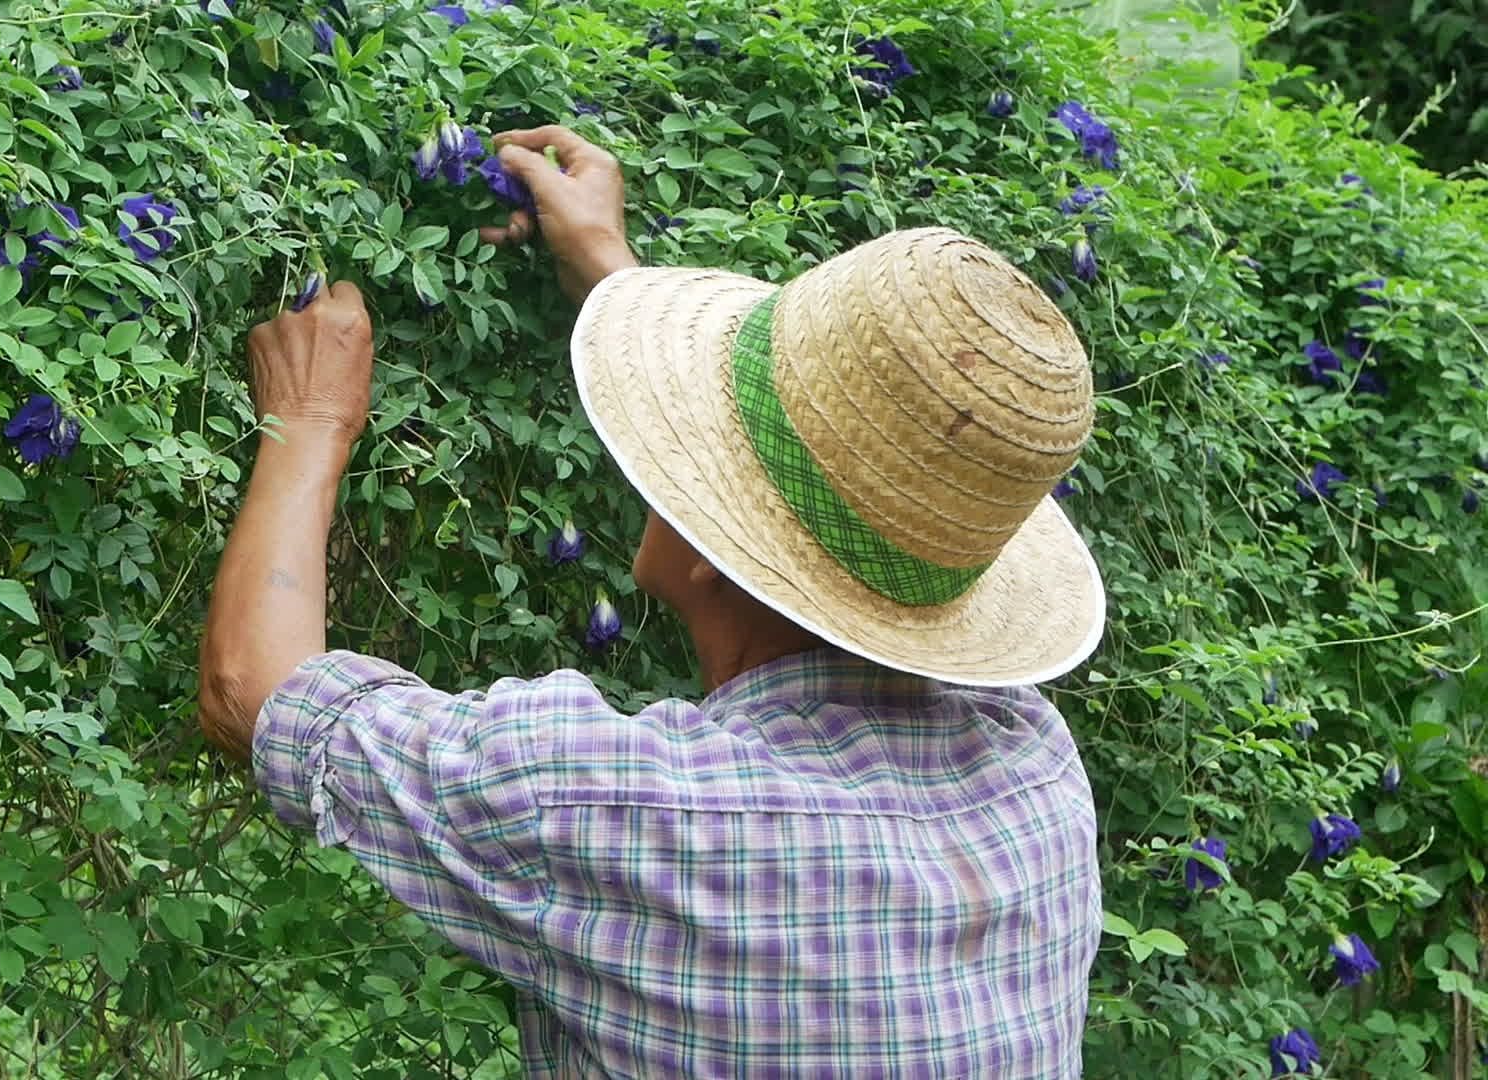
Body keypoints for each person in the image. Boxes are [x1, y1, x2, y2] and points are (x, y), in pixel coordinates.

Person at [198, 126, 1105, 1078]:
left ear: (718, 554)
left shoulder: (623, 807)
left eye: (691, 448)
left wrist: (306, 418)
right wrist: (606, 268)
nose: (664, 457)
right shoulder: (1034, 767)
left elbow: (251, 690)